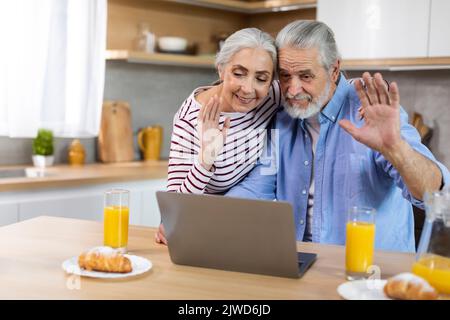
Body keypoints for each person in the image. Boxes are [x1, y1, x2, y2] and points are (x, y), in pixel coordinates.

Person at [226, 20, 450, 252]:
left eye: (305, 76)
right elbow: (256, 189)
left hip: (373, 275)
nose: (293, 90)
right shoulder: (282, 119)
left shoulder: (370, 110)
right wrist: (210, 213)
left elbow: (434, 194)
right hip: (301, 267)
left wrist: (395, 148)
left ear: (334, 70)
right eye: (285, 76)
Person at [156, 28, 282, 244]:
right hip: (203, 228)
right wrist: (206, 158)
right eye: (239, 73)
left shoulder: (270, 98)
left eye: (261, 78)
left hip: (248, 223)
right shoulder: (189, 119)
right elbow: (175, 207)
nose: (248, 89)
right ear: (221, 70)